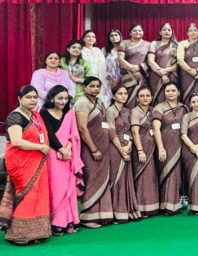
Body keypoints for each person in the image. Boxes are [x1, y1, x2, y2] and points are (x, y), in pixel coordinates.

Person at [0, 86, 52, 244]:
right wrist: (40, 147)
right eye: (28, 97)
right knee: (26, 195)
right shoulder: (15, 117)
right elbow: (16, 142)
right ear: (19, 99)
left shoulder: (35, 116)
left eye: (35, 97)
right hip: (21, 162)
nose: (32, 100)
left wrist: (42, 148)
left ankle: (36, 232)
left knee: (37, 195)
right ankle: (19, 234)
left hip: (37, 161)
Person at [39, 85, 83, 235]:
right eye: (60, 98)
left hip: (69, 155)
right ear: (52, 98)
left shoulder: (69, 113)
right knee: (56, 188)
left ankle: (70, 221)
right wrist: (61, 149)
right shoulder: (44, 113)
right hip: (53, 155)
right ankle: (57, 222)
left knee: (68, 188)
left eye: (66, 98)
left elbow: (74, 135)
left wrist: (69, 148)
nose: (63, 101)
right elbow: (49, 135)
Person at [75, 77, 113, 228]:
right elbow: (82, 128)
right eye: (91, 86)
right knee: (92, 180)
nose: (95, 89)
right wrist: (93, 149)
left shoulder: (99, 101)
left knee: (103, 179)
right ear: (84, 87)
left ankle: (102, 214)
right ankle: (87, 217)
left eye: (98, 86)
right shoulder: (82, 103)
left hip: (103, 148)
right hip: (91, 149)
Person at [106, 85, 141, 223]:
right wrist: (121, 150)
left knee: (127, 179)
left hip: (127, 147)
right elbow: (111, 131)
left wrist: (130, 145)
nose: (123, 96)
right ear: (114, 96)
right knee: (117, 180)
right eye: (120, 93)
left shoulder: (128, 111)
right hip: (115, 148)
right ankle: (117, 213)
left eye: (125, 93)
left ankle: (127, 211)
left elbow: (131, 131)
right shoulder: (110, 111)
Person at [152, 82, 187, 215]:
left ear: (178, 92)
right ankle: (167, 206)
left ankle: (175, 203)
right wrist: (161, 148)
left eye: (173, 90)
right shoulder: (159, 108)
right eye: (168, 91)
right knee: (168, 174)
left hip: (181, 146)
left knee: (178, 175)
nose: (170, 93)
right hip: (166, 147)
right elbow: (156, 129)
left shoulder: (184, 108)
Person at [130, 87, 159, 217]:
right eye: (142, 96)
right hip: (141, 150)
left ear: (151, 97)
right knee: (142, 178)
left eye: (148, 95)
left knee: (150, 178)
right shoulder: (135, 112)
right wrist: (140, 150)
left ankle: (152, 207)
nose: (145, 98)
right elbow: (135, 132)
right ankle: (141, 208)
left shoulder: (153, 111)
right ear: (137, 99)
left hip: (152, 149)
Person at [118, 24, 151, 108]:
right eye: (135, 30)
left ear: (143, 32)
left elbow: (150, 61)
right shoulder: (124, 43)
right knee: (126, 98)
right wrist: (132, 68)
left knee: (142, 97)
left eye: (140, 30)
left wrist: (139, 68)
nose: (137, 32)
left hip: (142, 76)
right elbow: (120, 59)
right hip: (128, 76)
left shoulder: (148, 44)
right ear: (130, 33)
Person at [148, 23, 179, 105]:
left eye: (169, 30)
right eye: (164, 29)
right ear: (160, 32)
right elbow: (150, 61)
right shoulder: (154, 44)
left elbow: (179, 63)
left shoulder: (177, 45)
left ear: (172, 32)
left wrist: (166, 70)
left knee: (172, 97)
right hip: (156, 76)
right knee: (157, 98)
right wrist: (162, 74)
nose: (166, 31)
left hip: (172, 75)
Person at [82, 30, 109, 104]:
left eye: (93, 37)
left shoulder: (98, 51)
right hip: (86, 79)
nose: (91, 38)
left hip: (100, 78)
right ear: (84, 39)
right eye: (88, 36)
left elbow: (103, 66)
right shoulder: (81, 51)